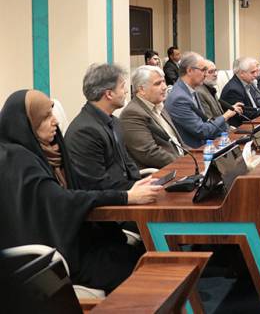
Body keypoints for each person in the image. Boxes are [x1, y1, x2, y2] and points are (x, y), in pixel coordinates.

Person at [0, 90, 162, 292]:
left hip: (74, 241)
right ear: (26, 124)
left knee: (142, 256)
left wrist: (127, 193)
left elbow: (78, 190)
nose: (55, 121)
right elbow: (59, 200)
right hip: (51, 258)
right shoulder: (15, 159)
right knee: (142, 269)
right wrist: (126, 197)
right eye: (46, 117)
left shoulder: (50, 149)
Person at [65, 64, 141, 191]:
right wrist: (133, 191)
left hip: (126, 191)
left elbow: (128, 164)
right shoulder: (84, 132)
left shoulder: (114, 122)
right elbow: (97, 185)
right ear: (109, 94)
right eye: (122, 86)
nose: (126, 91)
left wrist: (142, 184)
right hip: (109, 199)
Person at [164, 52, 243, 148]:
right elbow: (202, 131)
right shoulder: (179, 98)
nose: (205, 74)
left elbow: (206, 122)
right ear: (189, 70)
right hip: (195, 150)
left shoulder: (191, 89)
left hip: (207, 144)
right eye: (203, 70)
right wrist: (225, 116)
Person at [120, 65, 185, 169]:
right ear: (142, 89)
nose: (164, 87)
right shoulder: (132, 113)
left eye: (164, 81)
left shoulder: (159, 105)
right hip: (162, 172)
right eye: (158, 83)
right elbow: (149, 153)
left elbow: (177, 142)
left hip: (180, 164)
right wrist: (183, 163)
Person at [220, 57, 260, 122]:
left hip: (255, 120)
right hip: (243, 125)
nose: (256, 75)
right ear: (242, 73)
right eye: (252, 72)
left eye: (256, 71)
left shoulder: (248, 83)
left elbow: (254, 106)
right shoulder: (233, 90)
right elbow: (243, 115)